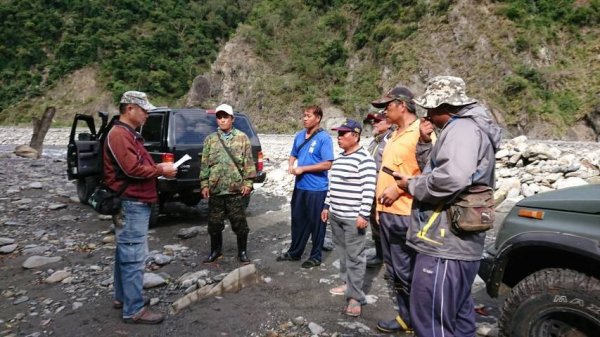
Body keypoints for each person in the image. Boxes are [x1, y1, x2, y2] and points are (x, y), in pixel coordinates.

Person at [394, 76, 502, 337]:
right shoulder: (471, 128)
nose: (428, 114)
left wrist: (412, 185)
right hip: (459, 246)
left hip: (445, 245)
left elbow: (452, 177)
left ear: (445, 107)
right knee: (459, 318)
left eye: (431, 109)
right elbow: (440, 169)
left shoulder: (462, 129)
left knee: (432, 320)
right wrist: (423, 143)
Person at [104, 91, 177, 324]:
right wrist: (161, 170)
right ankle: (134, 309)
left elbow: (135, 165)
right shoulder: (119, 135)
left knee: (124, 253)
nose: (147, 114)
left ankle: (123, 297)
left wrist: (155, 168)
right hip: (131, 201)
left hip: (134, 200)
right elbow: (131, 170)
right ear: (129, 109)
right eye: (144, 110)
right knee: (134, 256)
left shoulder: (128, 134)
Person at [370, 86, 427, 333]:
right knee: (395, 271)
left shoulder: (422, 134)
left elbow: (431, 173)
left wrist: (401, 189)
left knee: (408, 271)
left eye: (387, 106)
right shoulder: (394, 134)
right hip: (386, 214)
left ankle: (417, 320)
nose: (384, 112)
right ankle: (406, 316)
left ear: (402, 105)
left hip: (405, 213)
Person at [322, 119, 377, 317]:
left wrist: (363, 214)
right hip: (336, 215)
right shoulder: (340, 158)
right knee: (342, 252)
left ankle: (355, 297)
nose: (339, 137)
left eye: (344, 134)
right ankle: (347, 284)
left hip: (354, 218)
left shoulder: (365, 159)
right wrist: (327, 206)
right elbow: (333, 185)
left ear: (356, 135)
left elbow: (368, 189)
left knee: (355, 257)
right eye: (338, 133)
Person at [276, 105, 334, 268]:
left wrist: (304, 169)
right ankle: (295, 252)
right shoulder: (299, 136)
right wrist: (291, 165)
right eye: (304, 116)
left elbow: (327, 164)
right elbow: (293, 154)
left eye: (308, 116)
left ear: (318, 118)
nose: (305, 118)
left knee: (316, 223)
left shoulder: (324, 138)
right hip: (300, 186)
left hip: (317, 189)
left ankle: (316, 256)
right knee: (298, 220)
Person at [200, 103, 256, 264]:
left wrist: (248, 183)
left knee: (239, 223)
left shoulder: (242, 138)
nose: (222, 120)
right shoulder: (210, 140)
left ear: (232, 119)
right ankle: (215, 251)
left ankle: (242, 252)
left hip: (236, 189)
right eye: (219, 117)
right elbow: (205, 164)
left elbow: (249, 163)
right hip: (216, 189)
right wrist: (204, 184)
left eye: (225, 117)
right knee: (214, 223)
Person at [362, 111, 394, 268]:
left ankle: (391, 260)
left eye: (377, 121)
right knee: (375, 224)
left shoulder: (391, 140)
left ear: (388, 123)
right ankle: (380, 255)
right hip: (371, 191)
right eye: (372, 121)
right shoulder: (374, 142)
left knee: (387, 225)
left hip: (385, 191)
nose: (374, 123)